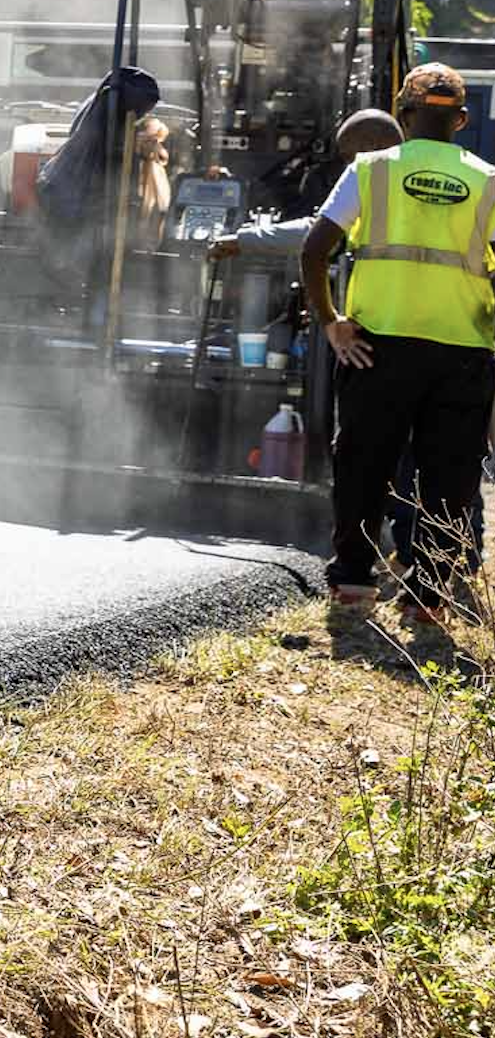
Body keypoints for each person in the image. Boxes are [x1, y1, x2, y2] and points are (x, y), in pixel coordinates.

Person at [301, 64, 495, 621]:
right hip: (463, 352)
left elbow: (315, 250)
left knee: (363, 464)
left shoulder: (370, 170)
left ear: (402, 117)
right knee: (449, 475)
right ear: (460, 119)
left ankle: (354, 585)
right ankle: (428, 597)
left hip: (376, 346)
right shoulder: (487, 180)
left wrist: (333, 321)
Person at [210, 109, 403, 261]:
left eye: (348, 157)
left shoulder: (380, 180)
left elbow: (319, 237)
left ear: (372, 146)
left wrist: (242, 240)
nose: (348, 166)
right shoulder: (410, 179)